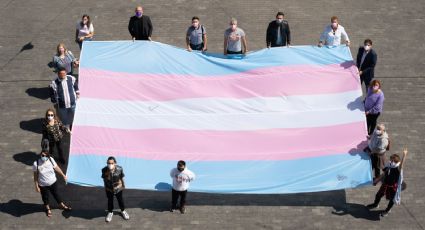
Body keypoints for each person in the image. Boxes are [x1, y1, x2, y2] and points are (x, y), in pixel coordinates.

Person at [367, 149, 408, 217]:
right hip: (386, 184)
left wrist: (404, 155)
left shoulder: (398, 167)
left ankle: (387, 210)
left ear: (395, 161)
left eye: (391, 160)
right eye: (390, 159)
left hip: (393, 186)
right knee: (378, 195)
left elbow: (402, 165)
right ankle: (375, 204)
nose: (390, 161)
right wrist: (377, 180)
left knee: (392, 199)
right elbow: (384, 174)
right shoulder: (389, 165)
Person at [33, 147, 71, 217]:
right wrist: (36, 186)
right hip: (43, 184)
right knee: (45, 197)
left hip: (53, 182)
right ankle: (48, 209)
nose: (43, 157)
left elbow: (56, 168)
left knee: (56, 194)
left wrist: (63, 175)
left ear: (48, 156)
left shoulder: (51, 160)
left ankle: (62, 205)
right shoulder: (36, 163)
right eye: (42, 155)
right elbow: (35, 176)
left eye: (45, 156)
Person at [102, 156, 129, 222]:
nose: (110, 165)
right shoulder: (104, 170)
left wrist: (123, 185)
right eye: (108, 163)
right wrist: (105, 187)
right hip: (109, 189)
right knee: (110, 201)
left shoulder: (119, 169)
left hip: (118, 188)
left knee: (120, 200)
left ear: (115, 163)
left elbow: (122, 177)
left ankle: (123, 211)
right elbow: (104, 179)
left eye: (111, 163)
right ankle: (110, 212)